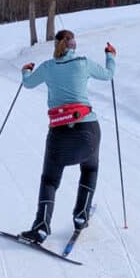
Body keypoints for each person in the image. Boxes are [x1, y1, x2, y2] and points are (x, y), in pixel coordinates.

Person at [18, 29, 116, 243]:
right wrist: (110, 55)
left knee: (49, 180)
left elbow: (27, 83)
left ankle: (41, 226)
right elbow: (109, 75)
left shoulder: (47, 67)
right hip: (88, 131)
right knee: (90, 168)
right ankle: (81, 215)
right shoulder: (83, 63)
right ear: (73, 46)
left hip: (59, 135)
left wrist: (26, 70)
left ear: (57, 46)